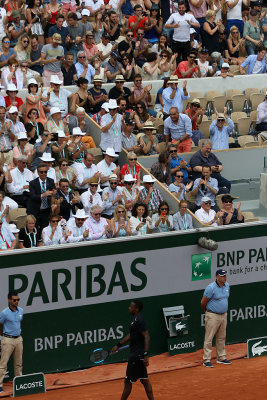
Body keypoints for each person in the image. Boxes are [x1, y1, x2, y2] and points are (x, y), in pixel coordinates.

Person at [112, 300, 154, 399]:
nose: (129, 308)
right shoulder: (134, 320)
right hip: (137, 355)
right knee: (144, 380)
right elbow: (131, 335)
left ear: (136, 309)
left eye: (131, 307)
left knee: (127, 383)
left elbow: (147, 336)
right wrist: (118, 345)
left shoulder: (139, 320)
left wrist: (146, 354)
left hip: (136, 356)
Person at [201, 269, 231, 368]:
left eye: (225, 275)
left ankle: (221, 358)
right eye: (222, 276)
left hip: (224, 315)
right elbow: (203, 302)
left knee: (222, 337)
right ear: (217, 277)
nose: (224, 277)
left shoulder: (227, 286)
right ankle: (206, 360)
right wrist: (209, 312)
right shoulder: (211, 288)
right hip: (212, 315)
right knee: (209, 338)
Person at [0, 291, 23, 393]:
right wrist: (2, 337)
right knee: (3, 364)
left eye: (18, 299)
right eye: (14, 300)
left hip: (18, 339)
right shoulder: (4, 313)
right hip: (7, 340)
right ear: (9, 300)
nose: (16, 301)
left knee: (18, 364)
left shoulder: (21, 310)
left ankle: (20, 383)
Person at [27, 164, 56, 230]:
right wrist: (43, 195)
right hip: (35, 210)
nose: (44, 174)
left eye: (45, 172)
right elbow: (32, 196)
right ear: (38, 173)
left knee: (45, 230)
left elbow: (54, 191)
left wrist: (54, 193)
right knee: (35, 230)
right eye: (41, 172)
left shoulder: (51, 181)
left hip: (46, 211)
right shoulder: (33, 183)